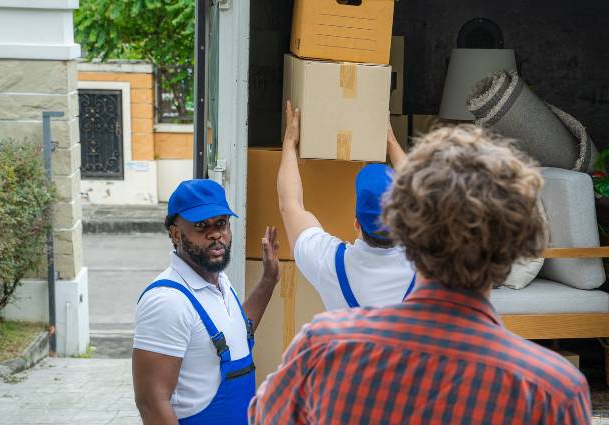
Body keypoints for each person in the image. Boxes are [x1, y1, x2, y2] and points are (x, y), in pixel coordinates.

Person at [250, 125, 592, 424]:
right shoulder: (552, 390)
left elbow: (266, 416)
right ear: (513, 250)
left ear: (413, 226)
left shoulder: (323, 347)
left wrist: (290, 142)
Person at [132, 179, 280, 425]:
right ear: (176, 233)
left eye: (221, 223)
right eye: (201, 226)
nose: (215, 234)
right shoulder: (167, 301)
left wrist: (269, 280)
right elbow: (151, 402)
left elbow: (236, 336)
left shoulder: (220, 282)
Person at [278, 101, 415, 310]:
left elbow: (290, 206)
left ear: (357, 223)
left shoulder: (331, 264)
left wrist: (289, 143)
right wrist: (391, 141)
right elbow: (423, 193)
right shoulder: (425, 266)